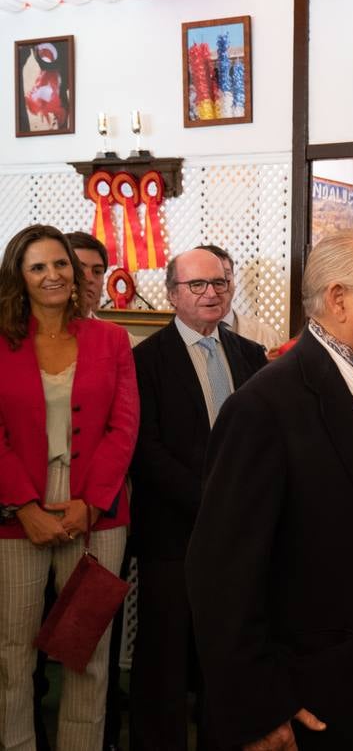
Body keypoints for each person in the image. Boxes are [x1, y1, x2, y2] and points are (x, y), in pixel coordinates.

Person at [185, 228, 353, 750]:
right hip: (295, 702)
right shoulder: (265, 409)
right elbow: (220, 578)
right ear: (338, 300)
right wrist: (258, 705)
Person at [0, 224, 138, 751]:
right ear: (19, 276)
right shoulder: (2, 339)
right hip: (17, 510)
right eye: (38, 267)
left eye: (61, 264)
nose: (53, 275)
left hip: (96, 511)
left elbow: (123, 426)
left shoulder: (111, 338)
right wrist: (24, 507)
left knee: (89, 652)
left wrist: (93, 503)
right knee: (12, 653)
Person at [129, 249, 269, 750]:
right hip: (172, 530)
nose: (211, 293)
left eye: (220, 283)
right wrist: (208, 501)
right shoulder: (145, 359)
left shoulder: (250, 355)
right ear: (171, 294)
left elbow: (262, 442)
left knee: (225, 648)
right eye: (196, 285)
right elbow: (145, 449)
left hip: (238, 533)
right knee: (164, 653)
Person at [196, 244, 285, 350]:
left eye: (223, 277)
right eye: (202, 280)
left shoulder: (266, 336)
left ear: (234, 281)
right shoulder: (175, 338)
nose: (212, 291)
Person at [65, 232, 108, 315]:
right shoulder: (34, 327)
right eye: (79, 269)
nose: (89, 279)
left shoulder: (110, 328)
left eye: (97, 271)